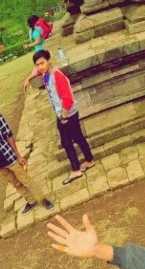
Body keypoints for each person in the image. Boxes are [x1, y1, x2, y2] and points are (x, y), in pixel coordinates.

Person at [22, 50, 95, 184]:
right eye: (38, 64)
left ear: (49, 61)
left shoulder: (57, 76)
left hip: (67, 113)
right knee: (77, 137)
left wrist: (64, 118)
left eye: (42, 63)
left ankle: (76, 170)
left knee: (67, 142)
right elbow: (36, 71)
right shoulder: (46, 74)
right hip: (63, 113)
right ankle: (89, 161)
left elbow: (67, 99)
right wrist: (28, 78)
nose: (40, 67)